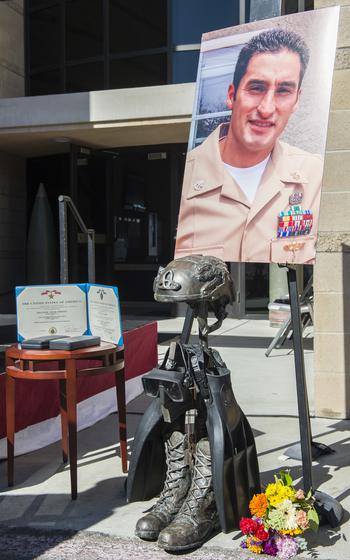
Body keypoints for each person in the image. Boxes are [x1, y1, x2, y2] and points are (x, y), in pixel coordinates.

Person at [175, 28, 323, 265]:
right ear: (232, 95)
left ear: (296, 100)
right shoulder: (188, 173)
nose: (266, 108)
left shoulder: (315, 177)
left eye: (284, 90)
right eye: (257, 88)